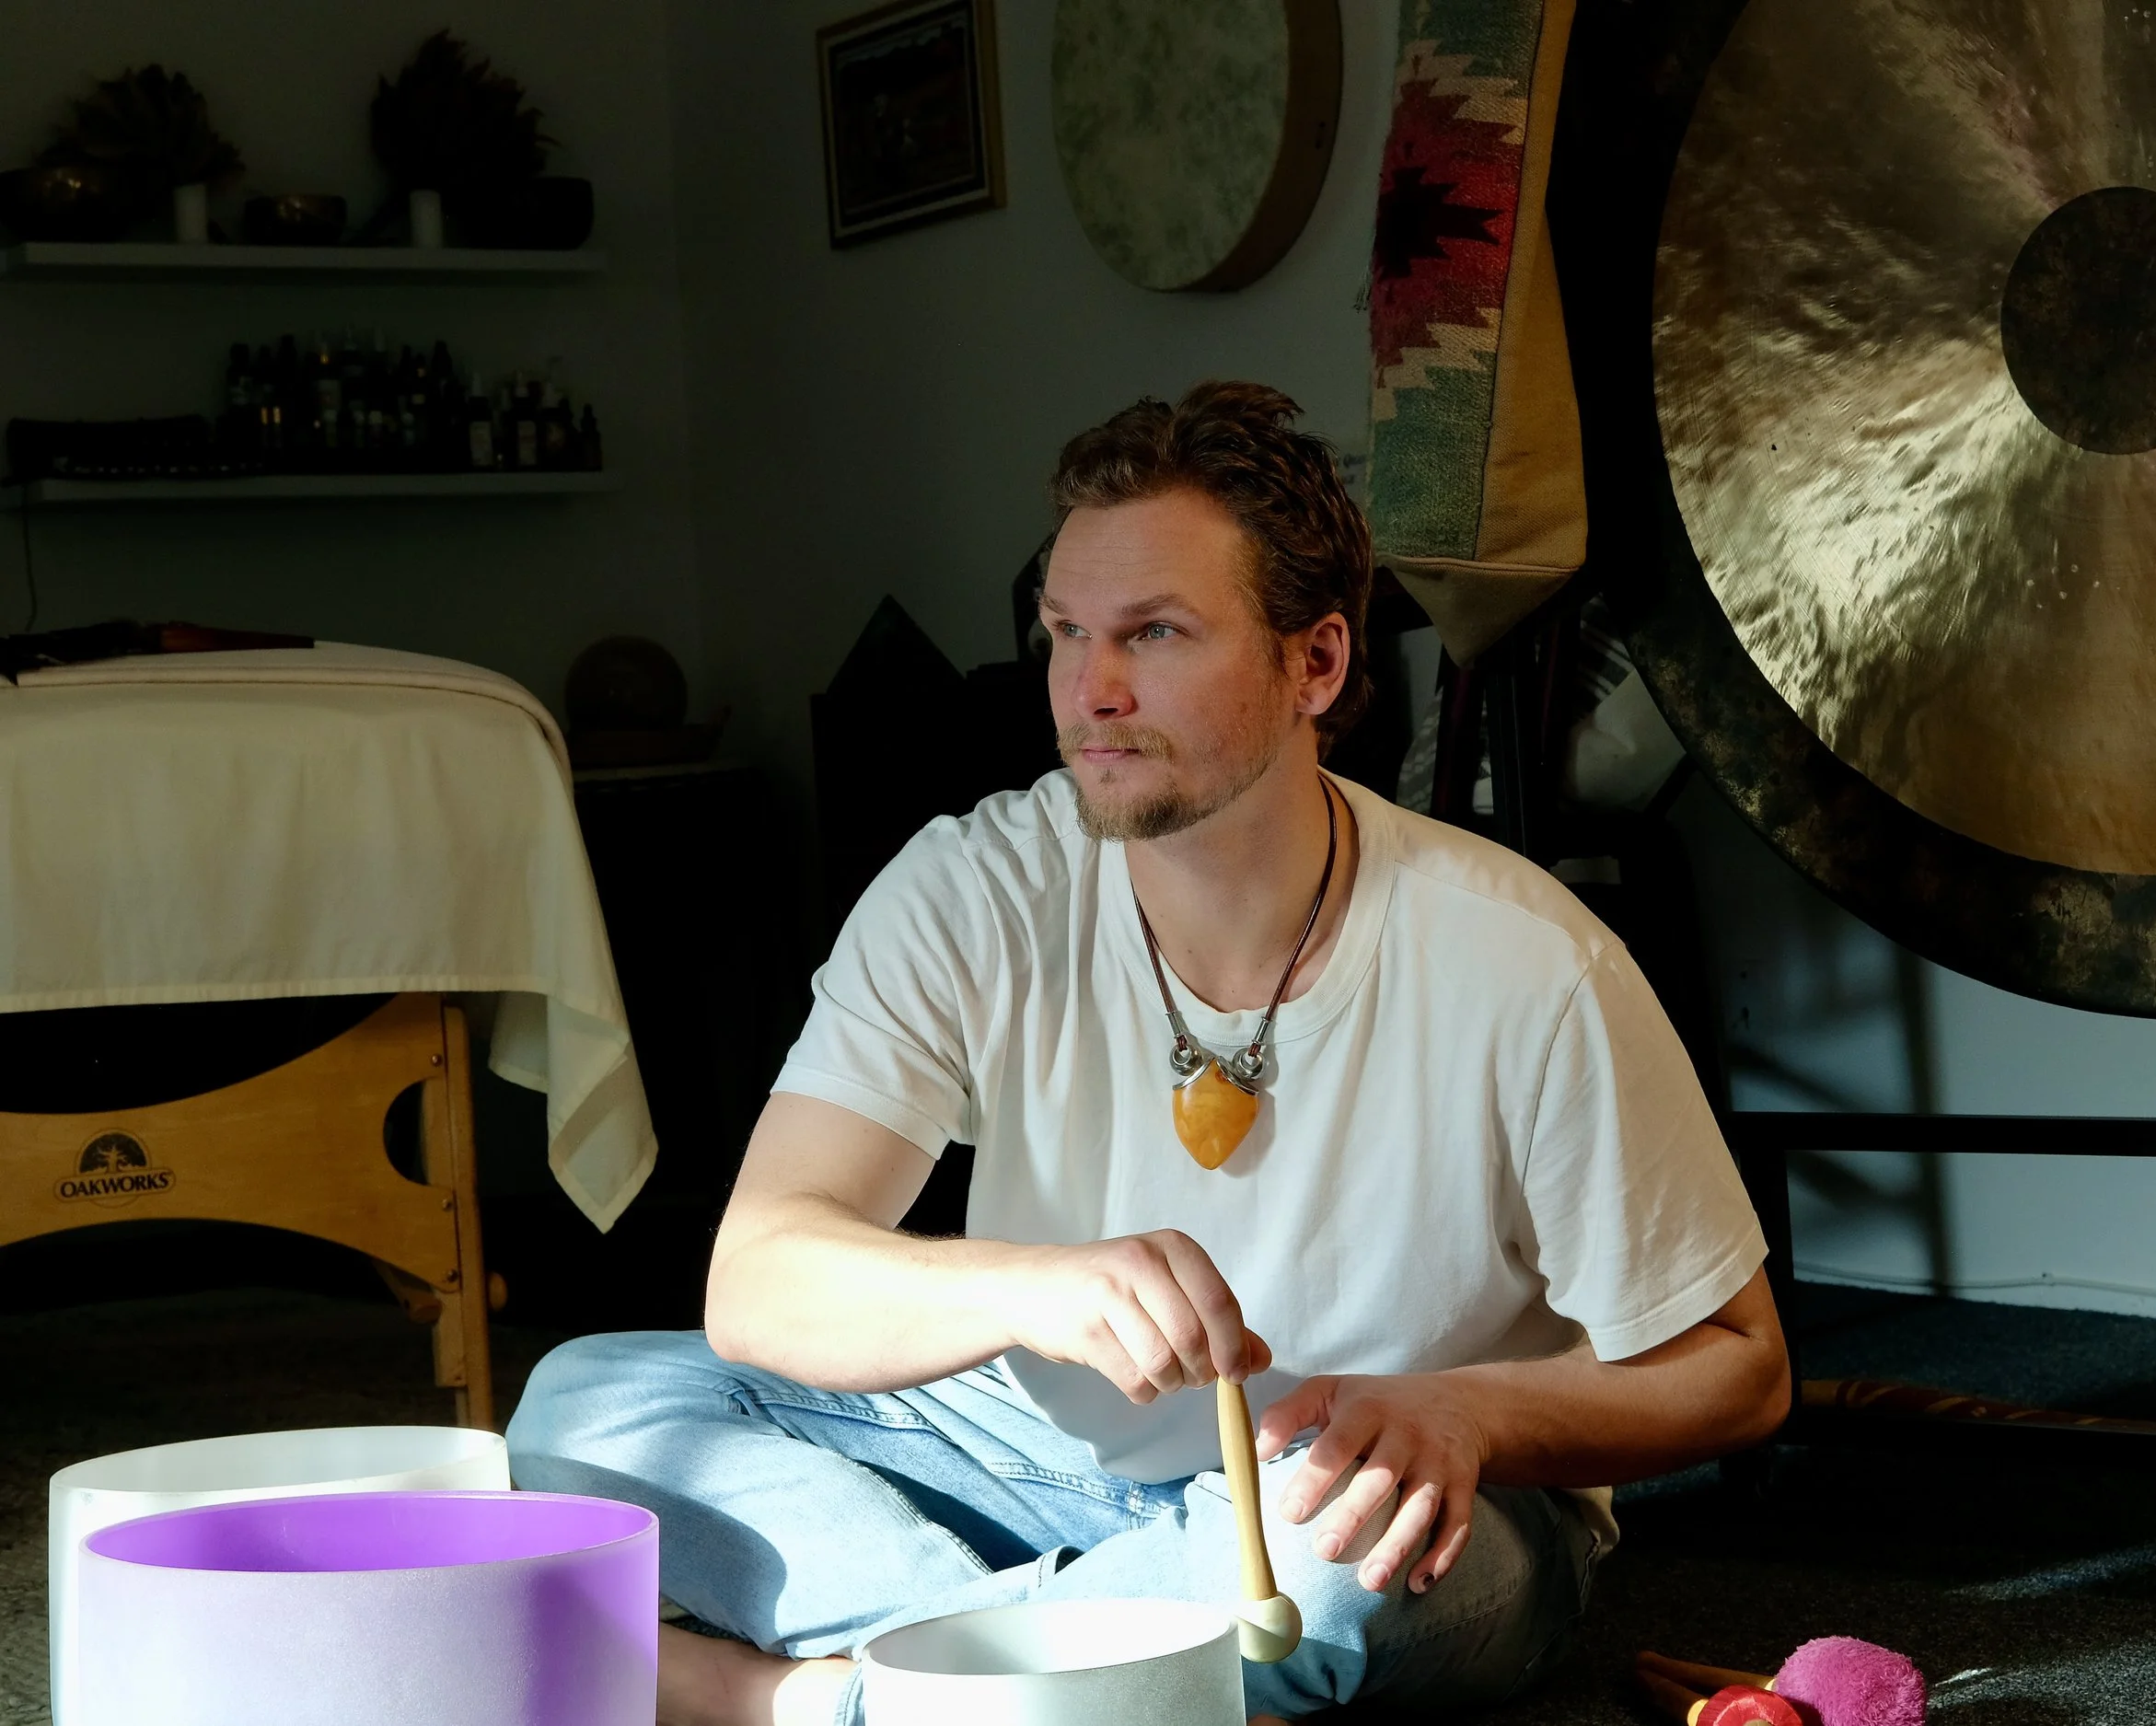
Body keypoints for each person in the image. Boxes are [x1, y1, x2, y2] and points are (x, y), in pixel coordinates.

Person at [506, 381, 1791, 1726]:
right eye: (1066, 632)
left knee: (1329, 1583)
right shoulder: (971, 886)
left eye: (1154, 633)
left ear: (1317, 664)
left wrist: (1471, 1413)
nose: (1090, 690)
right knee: (592, 1405)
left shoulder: (1529, 961)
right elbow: (763, 1274)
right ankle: (1062, 1676)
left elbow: (1742, 1362)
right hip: (1031, 1456)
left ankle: (796, 1698)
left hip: (1366, 1492)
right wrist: (1029, 1289)